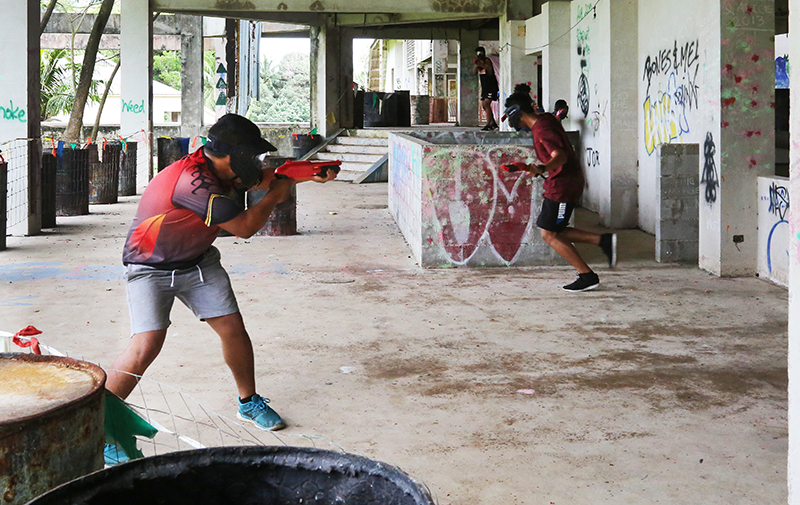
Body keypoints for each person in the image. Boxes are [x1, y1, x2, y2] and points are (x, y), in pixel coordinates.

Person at [104, 114, 336, 463]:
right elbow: (243, 227)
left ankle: (248, 402)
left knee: (233, 330)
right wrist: (276, 194)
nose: (256, 162)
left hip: (198, 261)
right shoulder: (192, 182)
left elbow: (267, 176)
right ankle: (100, 427)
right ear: (233, 155)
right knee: (144, 347)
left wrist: (305, 173)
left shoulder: (223, 168)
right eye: (252, 155)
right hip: (149, 268)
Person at [501, 92, 616, 292]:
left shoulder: (543, 129)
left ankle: (587, 275)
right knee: (554, 230)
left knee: (550, 233)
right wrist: (528, 167)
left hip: (563, 186)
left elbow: (559, 156)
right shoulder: (544, 120)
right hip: (561, 183)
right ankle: (603, 241)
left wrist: (543, 169)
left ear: (516, 113)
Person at [473, 47, 499, 131]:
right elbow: (474, 72)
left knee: (487, 104)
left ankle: (488, 124)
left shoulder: (487, 61)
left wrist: (481, 64)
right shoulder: (479, 64)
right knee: (484, 105)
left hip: (491, 86)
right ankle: (493, 123)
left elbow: (489, 69)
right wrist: (477, 65)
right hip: (485, 87)